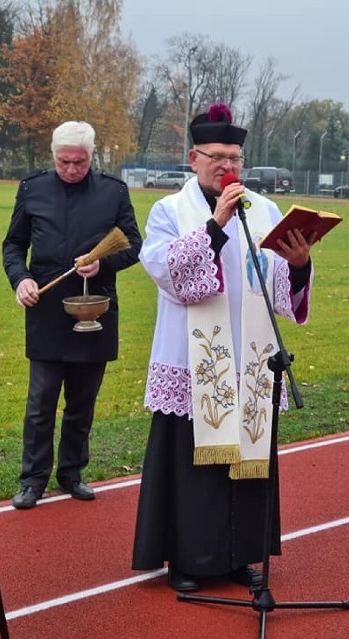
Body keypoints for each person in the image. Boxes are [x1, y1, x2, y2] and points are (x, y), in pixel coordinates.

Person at [131, 103, 316, 592]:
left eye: (235, 157)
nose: (227, 167)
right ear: (194, 158)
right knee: (194, 470)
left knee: (245, 467)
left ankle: (239, 556)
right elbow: (170, 277)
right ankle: (190, 561)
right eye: (217, 157)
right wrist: (215, 224)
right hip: (194, 364)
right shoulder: (169, 211)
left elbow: (279, 291)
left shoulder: (265, 210)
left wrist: (298, 265)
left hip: (250, 364)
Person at [2, 121, 142, 510]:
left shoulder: (113, 191)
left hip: (94, 310)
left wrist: (103, 264)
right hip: (46, 309)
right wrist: (21, 279)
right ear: (53, 155)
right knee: (41, 401)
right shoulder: (33, 189)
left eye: (79, 162)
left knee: (82, 402)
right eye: (64, 162)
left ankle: (72, 473)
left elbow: (133, 246)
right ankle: (32, 480)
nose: (71, 169)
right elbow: (14, 245)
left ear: (92, 156)